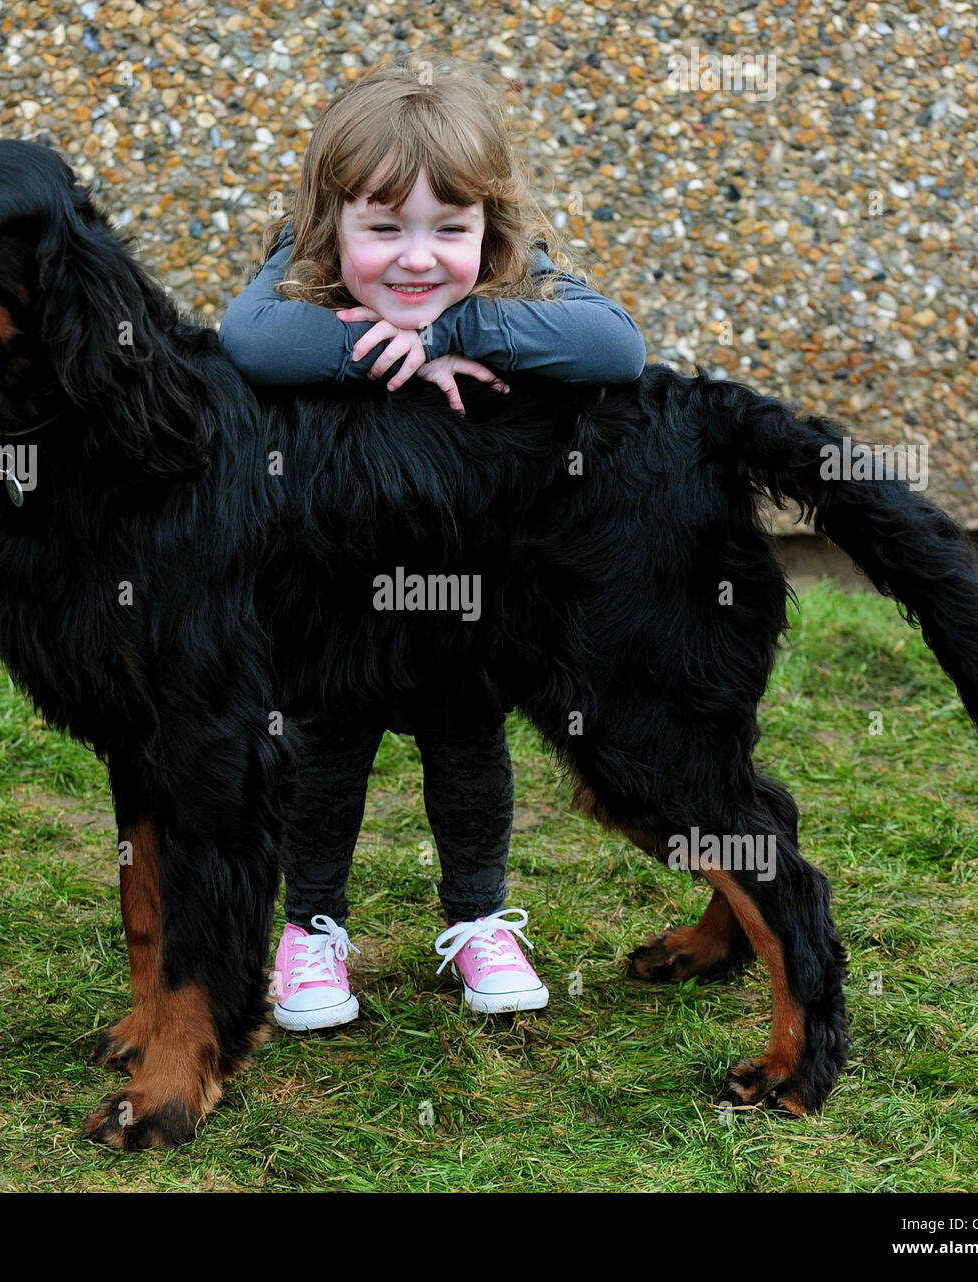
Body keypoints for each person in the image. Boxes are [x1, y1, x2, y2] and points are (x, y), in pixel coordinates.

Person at [218, 54, 646, 1032]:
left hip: (468, 596)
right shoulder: (298, 274)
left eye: (448, 230)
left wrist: (462, 328)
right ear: (333, 225)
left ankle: (479, 918)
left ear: (488, 222)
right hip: (329, 599)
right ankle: (311, 930)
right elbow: (244, 340)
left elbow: (617, 346)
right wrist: (362, 345)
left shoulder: (518, 275)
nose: (416, 257)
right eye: (384, 230)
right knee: (324, 756)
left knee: (469, 751)